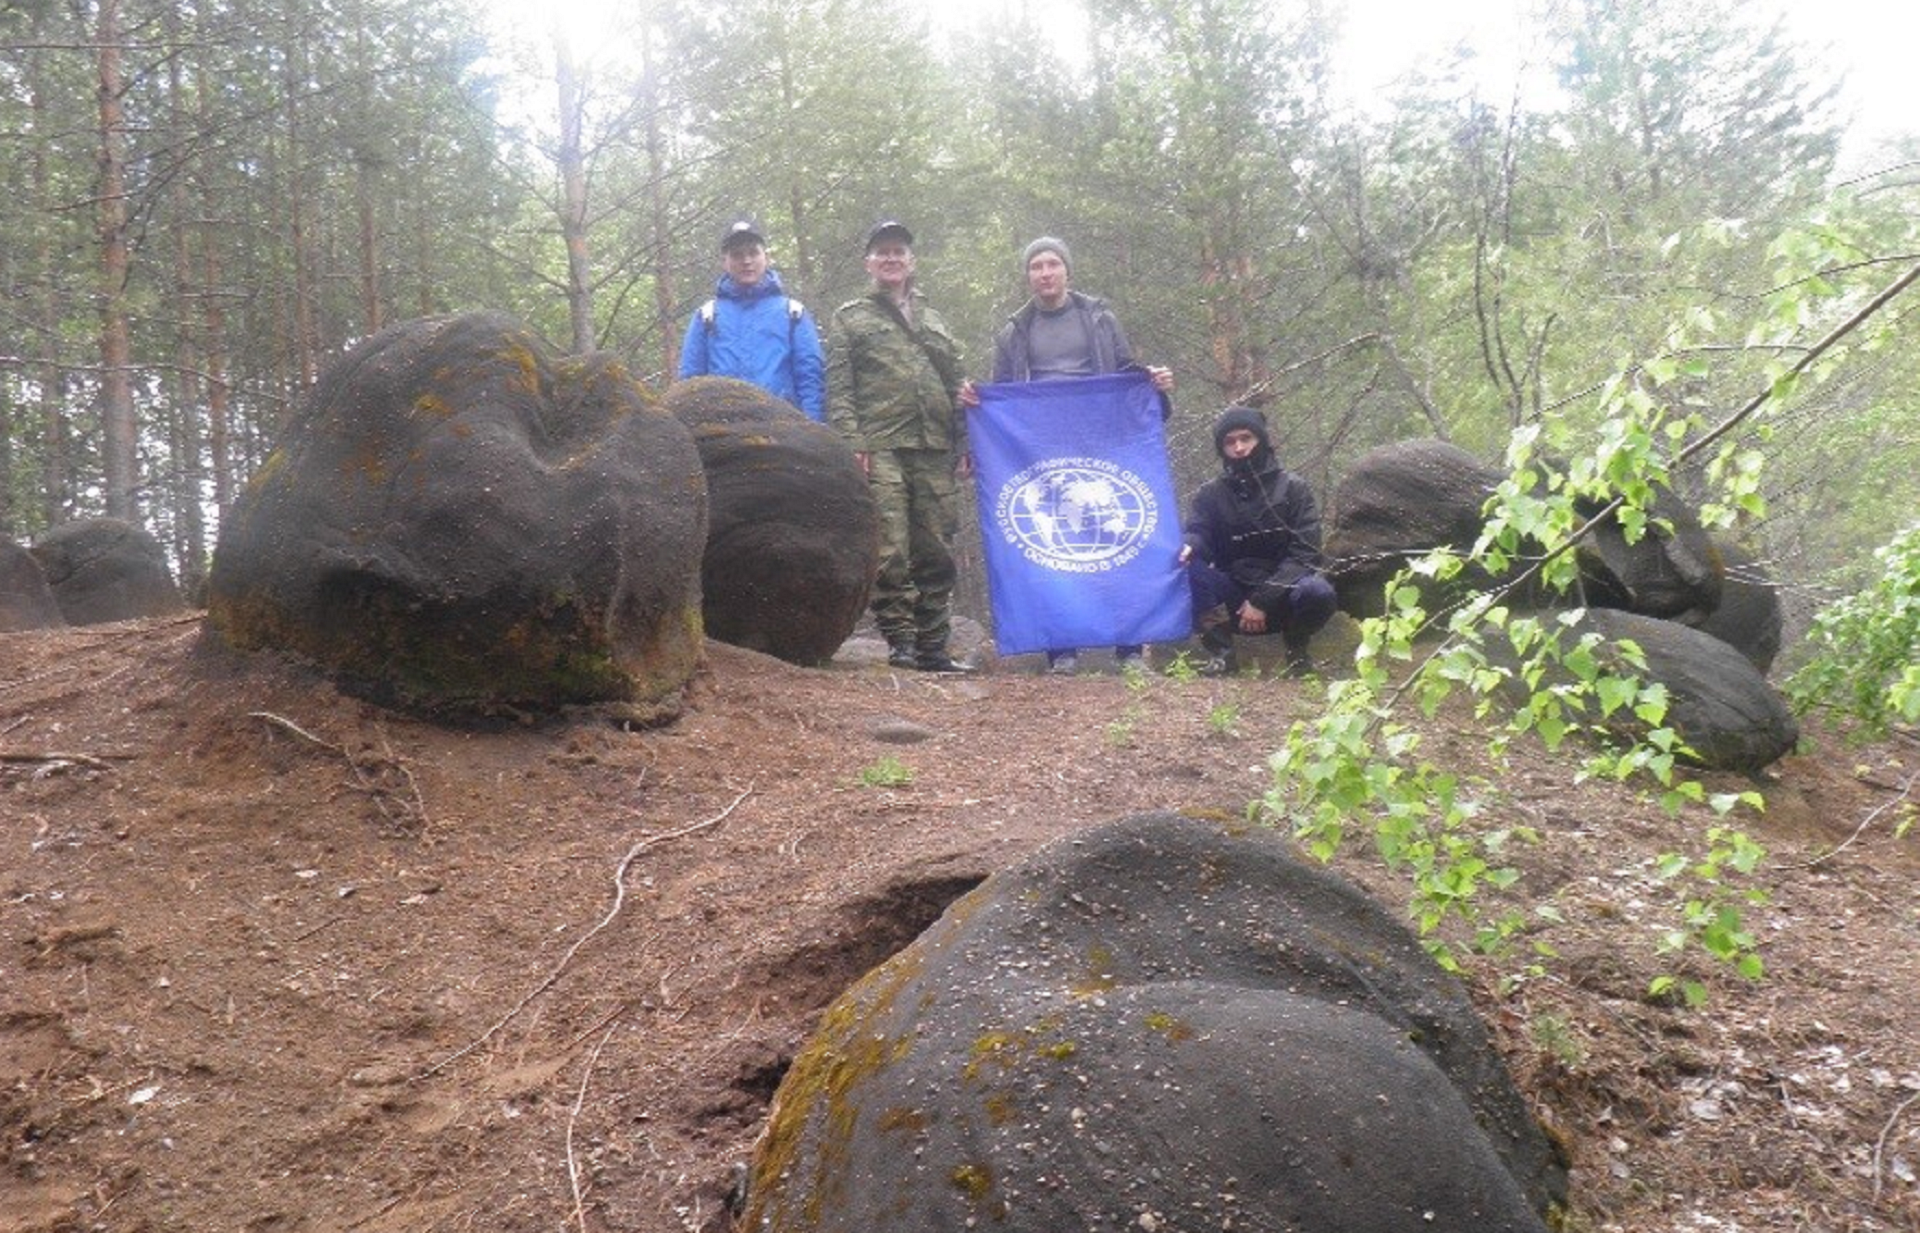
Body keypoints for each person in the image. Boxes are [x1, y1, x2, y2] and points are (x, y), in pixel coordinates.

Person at [985, 236, 1175, 675]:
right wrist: (979, 405)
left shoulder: (1099, 316)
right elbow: (1002, 391)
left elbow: (1127, 371)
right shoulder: (1014, 330)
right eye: (1036, 266)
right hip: (1041, 448)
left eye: (1053, 264)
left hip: (1102, 439)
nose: (1045, 272)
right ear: (1028, 275)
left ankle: (1129, 650)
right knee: (1053, 544)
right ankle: (1061, 650)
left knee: (1118, 536)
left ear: (1067, 270)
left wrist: (1153, 383)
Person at [828, 220, 973, 673]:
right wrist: (851, 440)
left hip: (933, 446)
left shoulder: (934, 319)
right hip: (881, 444)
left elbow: (958, 385)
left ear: (912, 262)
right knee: (891, 548)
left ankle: (933, 646)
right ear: (869, 262)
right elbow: (840, 387)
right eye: (882, 252)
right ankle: (901, 642)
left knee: (936, 547)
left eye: (899, 252)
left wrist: (966, 440)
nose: (891, 259)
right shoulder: (850, 317)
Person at [1178, 406, 1338, 677]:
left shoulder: (1294, 488)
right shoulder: (1210, 493)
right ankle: (1222, 654)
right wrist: (1190, 544)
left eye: (1246, 438)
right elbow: (1200, 533)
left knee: (1318, 592)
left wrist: (1263, 600)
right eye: (1230, 442)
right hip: (1232, 600)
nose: (1239, 448)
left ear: (1261, 440)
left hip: (1284, 596)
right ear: (1222, 448)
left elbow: (1306, 553)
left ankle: (1297, 652)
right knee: (1183, 569)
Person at [677, 217, 826, 421]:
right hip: (722, 431)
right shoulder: (707, 316)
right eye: (737, 255)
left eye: (753, 253)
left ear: (766, 257)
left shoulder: (792, 313)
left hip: (784, 430)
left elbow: (810, 380)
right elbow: (690, 384)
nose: (746, 261)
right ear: (725, 262)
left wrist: (814, 433)